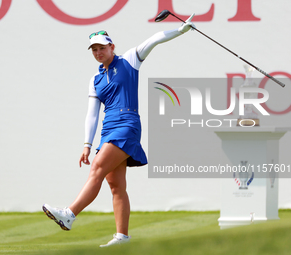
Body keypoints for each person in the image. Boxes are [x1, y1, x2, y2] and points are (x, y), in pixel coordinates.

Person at [43, 14, 196, 247]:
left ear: (112, 46)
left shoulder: (130, 59)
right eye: (94, 49)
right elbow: (92, 114)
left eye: (102, 47)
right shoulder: (95, 78)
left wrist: (181, 30)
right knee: (116, 185)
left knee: (97, 168)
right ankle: (122, 237)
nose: (98, 52)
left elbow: (154, 39)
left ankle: (69, 214)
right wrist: (86, 144)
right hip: (108, 129)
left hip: (128, 124)